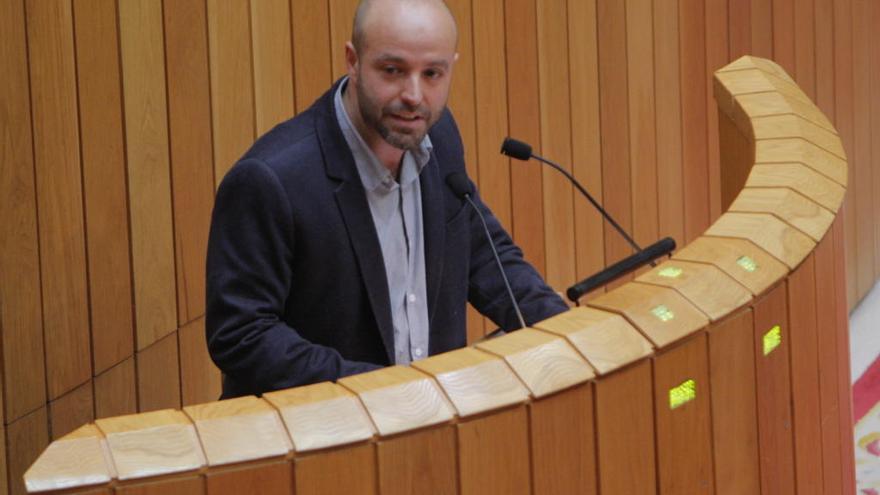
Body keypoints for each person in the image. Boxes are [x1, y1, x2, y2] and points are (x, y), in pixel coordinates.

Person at [206, 0, 567, 399]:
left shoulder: (437, 133)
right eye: (393, 71)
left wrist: (563, 330)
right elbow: (242, 335)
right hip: (322, 439)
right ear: (353, 61)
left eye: (432, 73)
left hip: (431, 423)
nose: (414, 95)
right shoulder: (271, 179)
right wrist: (385, 390)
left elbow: (481, 250)